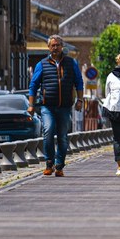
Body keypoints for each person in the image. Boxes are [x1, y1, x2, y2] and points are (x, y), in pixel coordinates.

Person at [27, 34, 84, 177]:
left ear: (62, 46)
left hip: (65, 106)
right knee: (48, 131)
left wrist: (80, 100)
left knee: (63, 137)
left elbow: (79, 82)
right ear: (48, 47)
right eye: (52, 45)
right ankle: (49, 163)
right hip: (47, 106)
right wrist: (31, 105)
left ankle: (59, 166)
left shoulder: (71, 63)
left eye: (58, 45)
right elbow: (33, 85)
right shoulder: (42, 64)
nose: (55, 48)